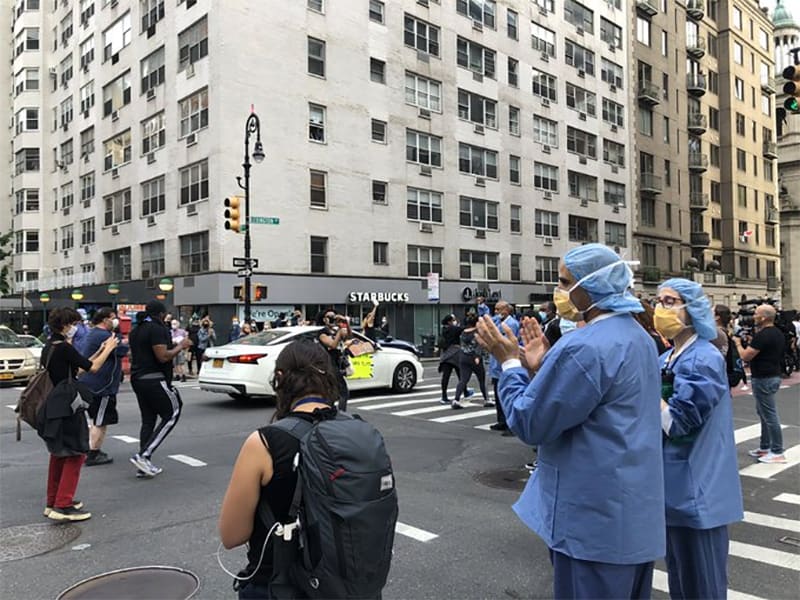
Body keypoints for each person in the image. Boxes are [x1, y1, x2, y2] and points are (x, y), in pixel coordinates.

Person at [476, 244, 664, 600]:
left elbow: (530, 422)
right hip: (632, 514)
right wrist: (545, 368)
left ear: (589, 287)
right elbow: (587, 403)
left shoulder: (584, 346)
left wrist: (509, 362)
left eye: (564, 282)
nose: (559, 291)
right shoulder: (637, 337)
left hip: (591, 523)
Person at [219, 340, 340, 599]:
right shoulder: (359, 432)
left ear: (280, 378)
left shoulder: (266, 443)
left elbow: (231, 535)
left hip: (278, 584)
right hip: (344, 579)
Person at [654, 278, 743, 599]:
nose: (659, 308)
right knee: (681, 579)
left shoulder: (703, 358)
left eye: (669, 301)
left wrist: (649, 393)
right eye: (658, 300)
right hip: (675, 486)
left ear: (692, 311)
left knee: (702, 585)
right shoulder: (668, 358)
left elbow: (679, 422)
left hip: (698, 488)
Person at [41, 307, 118, 521]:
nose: (77, 328)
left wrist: (99, 350)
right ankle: (63, 504)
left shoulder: (50, 346)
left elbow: (78, 368)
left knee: (59, 453)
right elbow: (93, 368)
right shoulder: (64, 348)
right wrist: (109, 348)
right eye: (75, 324)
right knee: (76, 452)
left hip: (54, 405)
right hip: (68, 406)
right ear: (66, 325)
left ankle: (53, 501)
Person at [129, 300, 193, 478]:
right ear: (161, 314)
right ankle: (144, 455)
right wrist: (181, 346)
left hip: (138, 378)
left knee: (148, 420)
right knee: (173, 411)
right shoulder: (157, 329)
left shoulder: (136, 330)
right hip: (154, 379)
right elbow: (163, 356)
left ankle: (143, 463)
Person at [733, 304, 787, 464]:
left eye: (756, 314)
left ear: (763, 317)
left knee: (769, 415)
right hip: (771, 375)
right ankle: (765, 446)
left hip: (764, 377)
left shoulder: (763, 335)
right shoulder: (777, 333)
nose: (753, 316)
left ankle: (777, 451)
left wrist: (737, 343)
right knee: (764, 413)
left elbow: (746, 356)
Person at [77, 307, 129, 467]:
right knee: (100, 420)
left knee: (96, 419)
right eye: (113, 318)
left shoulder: (92, 333)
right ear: (105, 319)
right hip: (101, 386)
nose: (115, 321)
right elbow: (121, 349)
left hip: (91, 383)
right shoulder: (103, 335)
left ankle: (92, 450)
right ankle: (93, 452)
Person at [488, 301, 520, 432]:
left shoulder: (511, 324)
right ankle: (501, 420)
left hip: (505, 362)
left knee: (507, 394)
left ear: (506, 310)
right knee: (498, 394)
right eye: (495, 309)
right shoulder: (497, 321)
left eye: (499, 309)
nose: (496, 312)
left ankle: (510, 424)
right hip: (496, 364)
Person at [452, 315, 489, 409]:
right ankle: (487, 399)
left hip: (463, 357)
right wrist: (477, 356)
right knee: (481, 379)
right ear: (476, 323)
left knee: (463, 380)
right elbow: (479, 346)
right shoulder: (477, 333)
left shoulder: (463, 333)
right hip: (474, 358)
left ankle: (456, 399)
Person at [316, 309, 350, 411]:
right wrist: (340, 331)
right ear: (324, 319)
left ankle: (327, 412)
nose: (331, 319)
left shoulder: (335, 330)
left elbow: (348, 336)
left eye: (333, 317)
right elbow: (332, 345)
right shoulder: (322, 332)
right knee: (343, 392)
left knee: (332, 393)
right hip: (328, 365)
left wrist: (345, 323)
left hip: (336, 363)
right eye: (329, 317)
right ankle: (340, 414)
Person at [437, 314, 463, 405]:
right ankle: (465, 391)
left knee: (446, 376)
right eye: (453, 320)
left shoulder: (444, 330)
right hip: (455, 355)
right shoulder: (454, 329)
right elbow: (464, 330)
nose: (455, 321)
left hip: (446, 356)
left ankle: (444, 396)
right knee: (461, 375)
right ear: (449, 321)